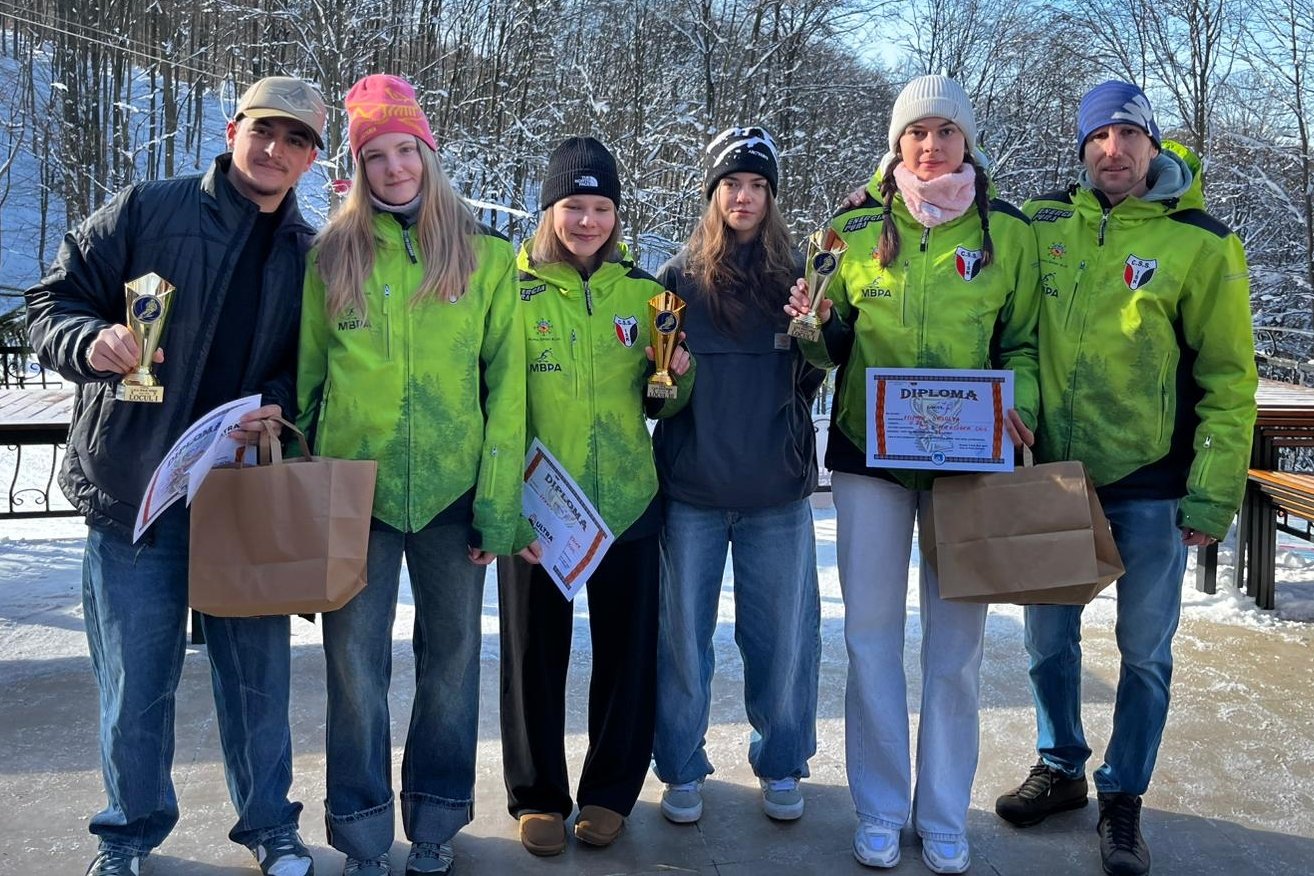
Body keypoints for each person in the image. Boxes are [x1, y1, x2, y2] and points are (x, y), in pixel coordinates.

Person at [25, 77, 325, 876]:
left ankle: (271, 826)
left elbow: (311, 372)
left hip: (241, 499)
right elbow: (49, 302)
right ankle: (126, 834)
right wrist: (89, 341)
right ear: (233, 131)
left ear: (312, 160)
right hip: (134, 493)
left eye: (297, 141)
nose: (276, 151)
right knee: (136, 684)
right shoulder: (144, 209)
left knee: (257, 681)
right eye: (265, 131)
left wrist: (278, 407)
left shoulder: (309, 254)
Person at [992, 80, 1257, 876]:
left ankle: (1123, 796)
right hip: (1056, 477)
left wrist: (1212, 493)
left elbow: (1229, 377)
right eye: (1099, 137)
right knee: (1046, 642)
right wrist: (1025, 411)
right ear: (1080, 146)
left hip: (1150, 478)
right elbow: (1022, 339)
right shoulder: (1043, 224)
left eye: (1129, 136)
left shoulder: (1201, 242)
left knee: (1144, 652)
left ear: (1153, 144)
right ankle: (1062, 767)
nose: (1114, 150)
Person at [786, 74, 1039, 873]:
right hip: (872, 459)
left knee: (956, 650)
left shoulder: (1010, 233)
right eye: (916, 132)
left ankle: (942, 814)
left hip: (968, 466)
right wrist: (814, 328)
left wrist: (1019, 399)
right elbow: (825, 347)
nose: (931, 146)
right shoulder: (851, 230)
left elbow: (1024, 345)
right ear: (897, 143)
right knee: (869, 640)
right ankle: (881, 807)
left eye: (946, 131)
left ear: (968, 140)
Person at [295, 74, 524, 876]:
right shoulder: (330, 257)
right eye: (374, 155)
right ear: (358, 168)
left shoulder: (487, 257)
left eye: (405, 150)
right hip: (354, 496)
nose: (393, 168)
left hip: (454, 496)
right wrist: (302, 497)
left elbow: (508, 390)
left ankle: (434, 824)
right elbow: (306, 384)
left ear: (429, 153)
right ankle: (360, 834)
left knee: (451, 661)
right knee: (354, 669)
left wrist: (499, 506)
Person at [498, 136, 694, 857]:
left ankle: (610, 791)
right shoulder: (508, 287)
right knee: (532, 652)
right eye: (573, 206)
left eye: (601, 207)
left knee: (626, 653)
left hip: (626, 498)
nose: (587, 220)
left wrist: (676, 376)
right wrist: (500, 500)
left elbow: (664, 400)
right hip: (538, 501)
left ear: (617, 212)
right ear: (548, 209)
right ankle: (538, 795)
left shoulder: (646, 293)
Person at [650, 126, 823, 825]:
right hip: (690, 492)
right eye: (732, 184)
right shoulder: (676, 280)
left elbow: (816, 374)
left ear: (771, 197)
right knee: (682, 640)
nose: (744, 196)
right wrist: (672, 382)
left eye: (757, 185)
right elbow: (654, 394)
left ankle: (781, 759)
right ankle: (682, 765)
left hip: (775, 494)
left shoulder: (801, 278)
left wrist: (820, 330)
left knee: (781, 639)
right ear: (712, 194)